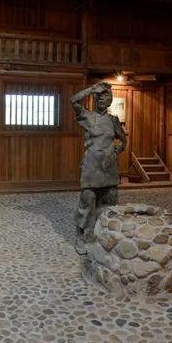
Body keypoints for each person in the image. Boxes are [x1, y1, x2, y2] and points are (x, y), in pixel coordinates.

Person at [70, 82, 126, 253]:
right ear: (94, 98)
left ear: (110, 100)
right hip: (92, 164)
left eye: (105, 96)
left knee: (110, 198)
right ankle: (80, 236)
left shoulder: (113, 120)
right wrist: (91, 89)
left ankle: (104, 232)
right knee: (87, 199)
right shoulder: (87, 116)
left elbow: (123, 141)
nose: (101, 99)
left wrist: (115, 151)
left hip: (108, 165)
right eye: (99, 96)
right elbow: (73, 101)